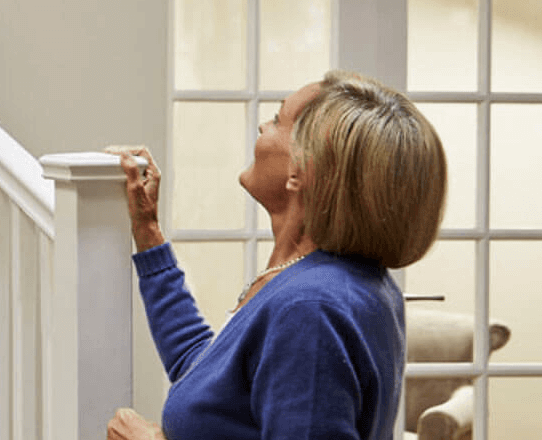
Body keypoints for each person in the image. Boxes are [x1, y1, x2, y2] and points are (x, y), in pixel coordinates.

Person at [107, 70, 447, 440]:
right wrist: (148, 232)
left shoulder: (311, 308)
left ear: (302, 168)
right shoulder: (321, 280)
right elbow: (205, 378)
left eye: (276, 119)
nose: (261, 127)